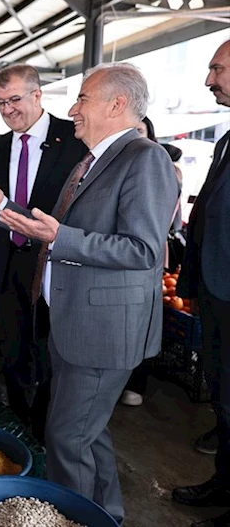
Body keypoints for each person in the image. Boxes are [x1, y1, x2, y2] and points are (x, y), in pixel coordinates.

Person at [0, 63, 178, 524]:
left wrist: (61, 238)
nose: (72, 109)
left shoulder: (144, 158)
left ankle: (73, 518)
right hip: (74, 322)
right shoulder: (95, 158)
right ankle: (107, 514)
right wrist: (2, 207)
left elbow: (143, 249)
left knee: (66, 437)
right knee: (89, 432)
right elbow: (54, 229)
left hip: (102, 329)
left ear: (116, 104)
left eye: (82, 99)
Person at [0, 64, 87, 442]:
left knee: (49, 350)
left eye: (14, 100)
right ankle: (20, 421)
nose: (7, 110)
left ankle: (45, 429)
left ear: (37, 95)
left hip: (54, 264)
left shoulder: (71, 140)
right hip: (9, 262)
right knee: (12, 345)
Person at [173, 39, 230, 527]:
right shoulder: (227, 139)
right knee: (223, 394)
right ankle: (225, 482)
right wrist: (191, 279)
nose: (209, 79)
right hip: (216, 290)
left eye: (218, 68)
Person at [121, 116, 183, 408]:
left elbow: (164, 221)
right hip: (119, 259)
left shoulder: (161, 168)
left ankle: (136, 383)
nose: (134, 136)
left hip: (146, 255)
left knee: (141, 320)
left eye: (140, 131)